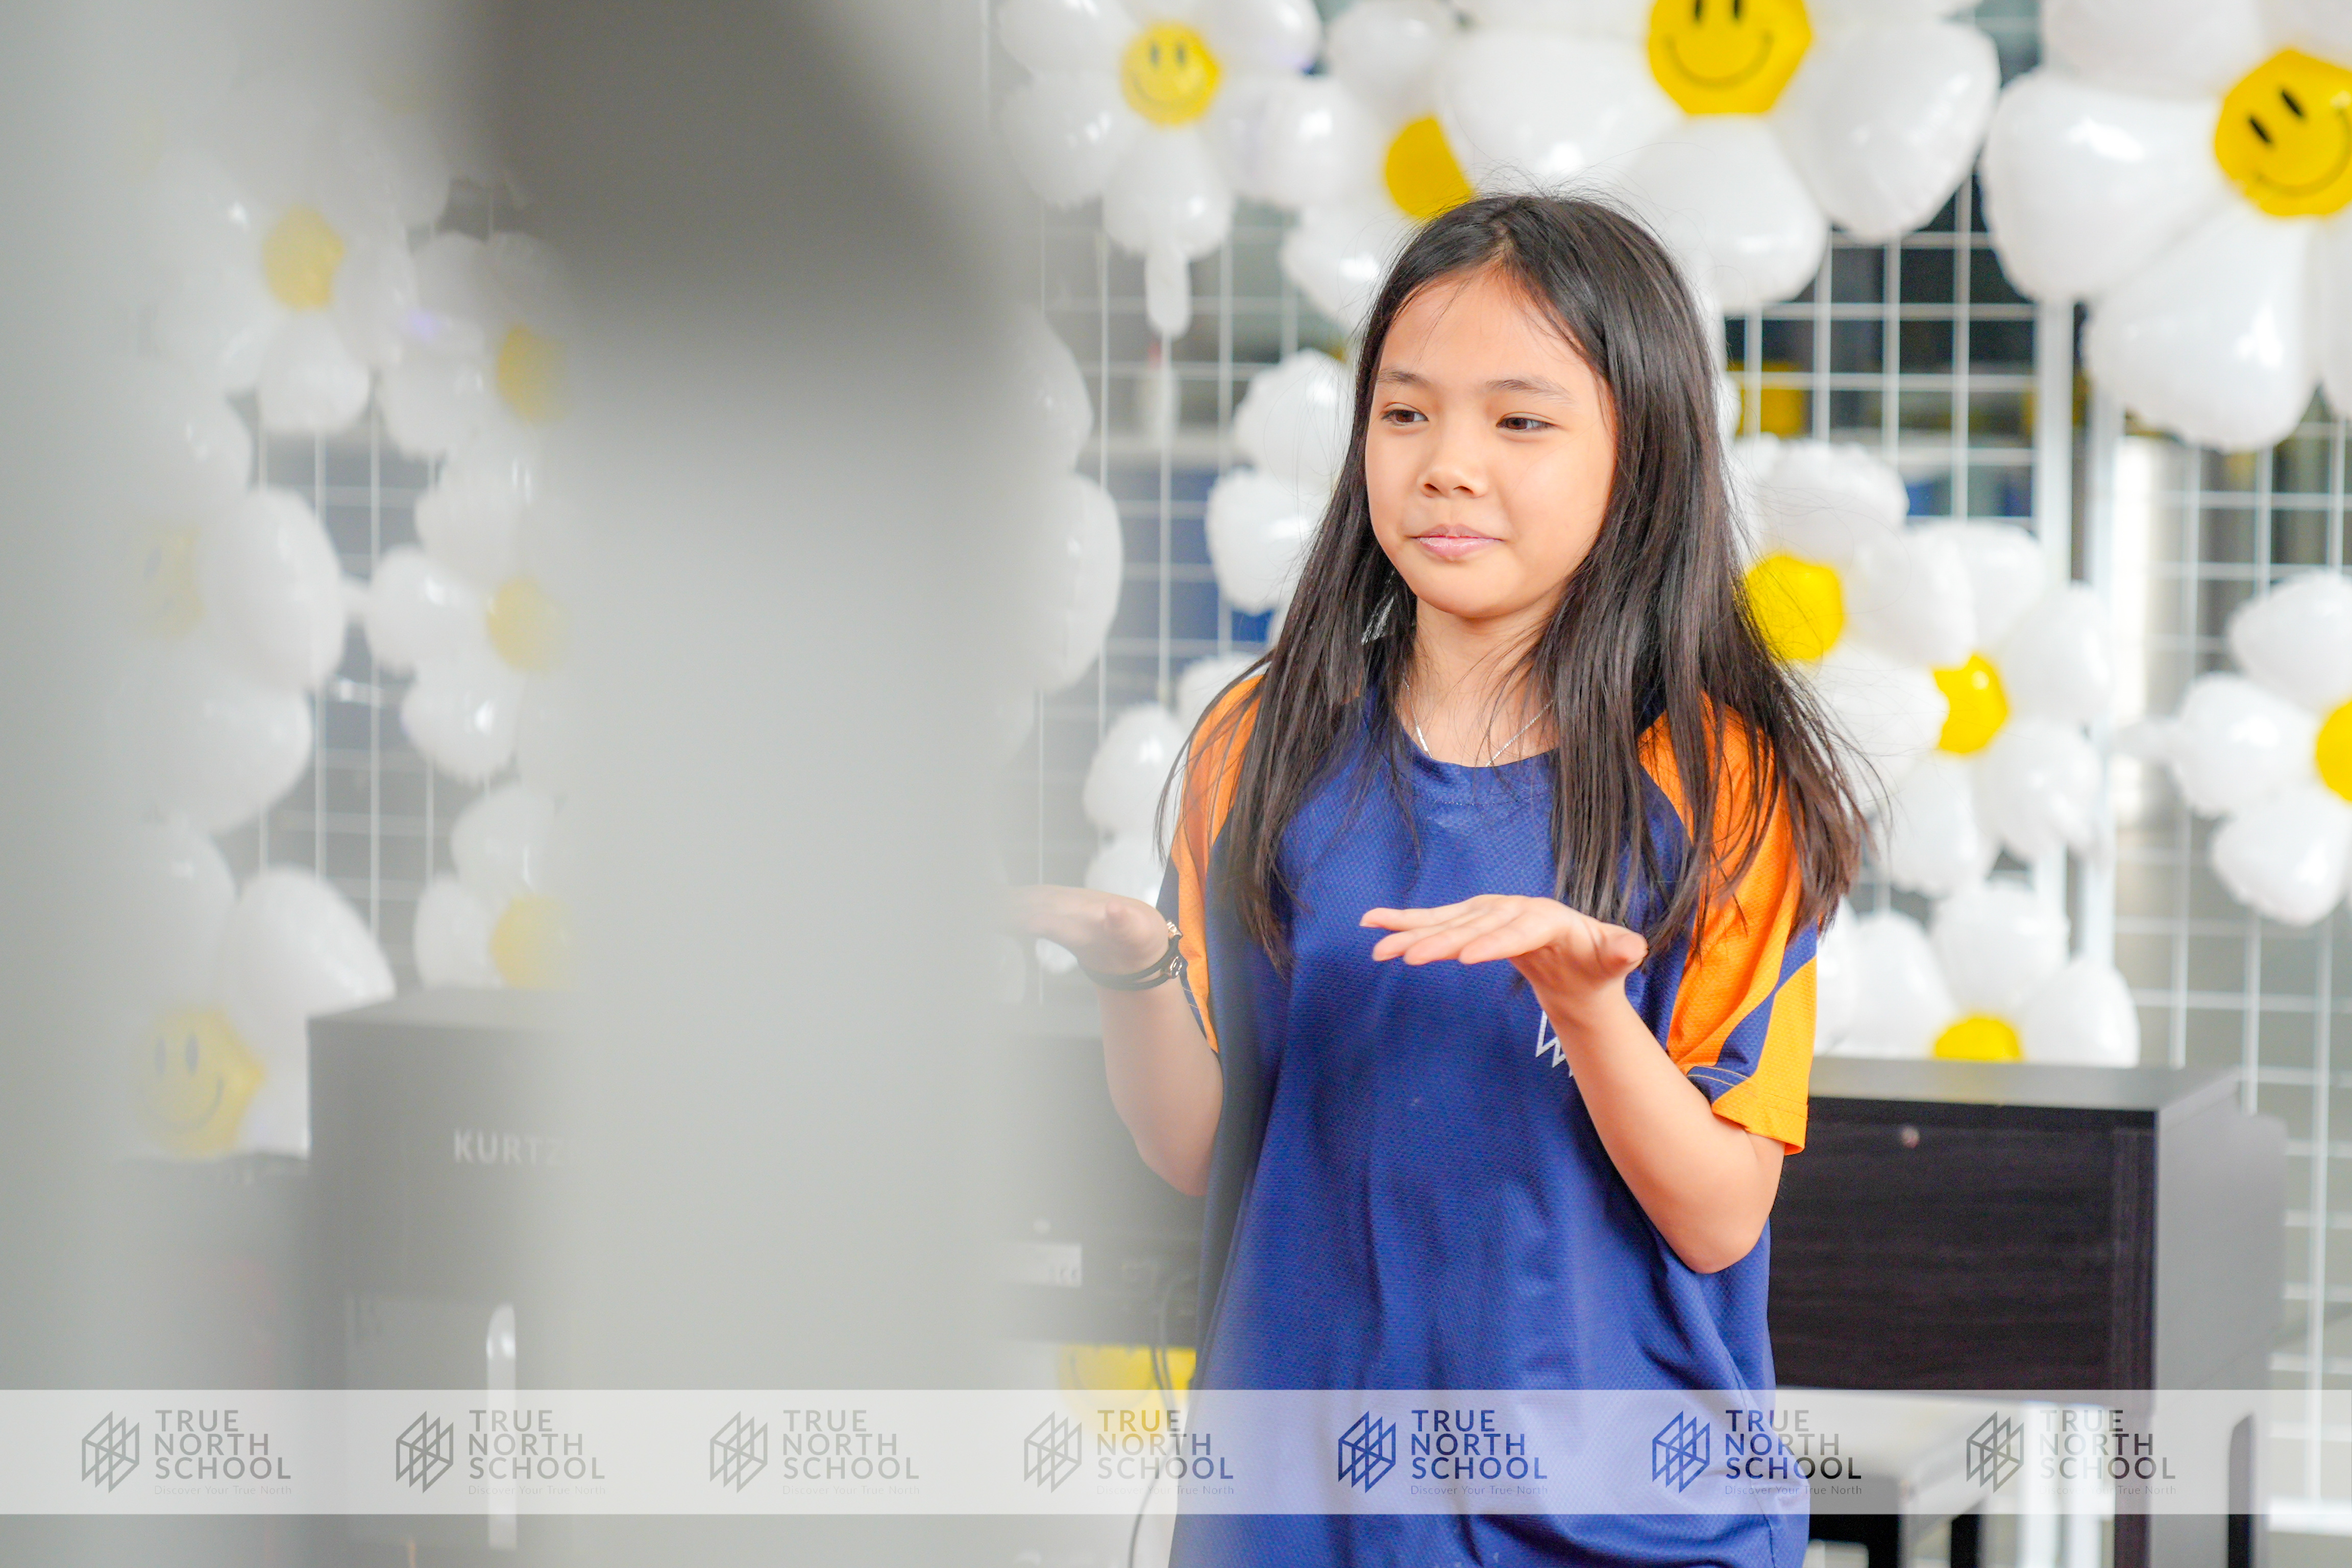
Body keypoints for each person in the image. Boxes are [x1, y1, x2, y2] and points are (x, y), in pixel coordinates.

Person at [1010, 192, 1868, 1567]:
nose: (1447, 466)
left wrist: (1587, 1007)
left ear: (1642, 454)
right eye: (1406, 413)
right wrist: (1135, 973)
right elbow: (1200, 1153)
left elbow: (1718, 1217)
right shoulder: (1262, 746)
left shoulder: (1720, 782)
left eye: (1520, 421)